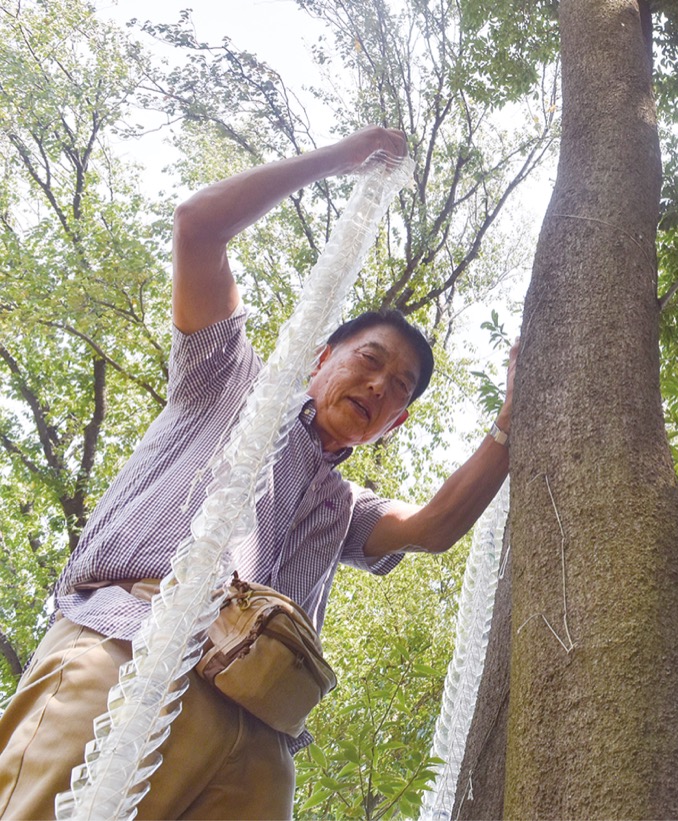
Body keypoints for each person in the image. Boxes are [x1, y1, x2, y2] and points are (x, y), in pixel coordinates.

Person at [0, 127, 515, 819]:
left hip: (257, 735)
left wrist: (512, 418)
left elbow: (435, 527)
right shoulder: (228, 380)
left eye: (398, 388)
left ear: (392, 424)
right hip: (128, 648)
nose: (379, 385)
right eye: (369, 359)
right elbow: (199, 227)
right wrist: (343, 158)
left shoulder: (347, 504)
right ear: (320, 356)